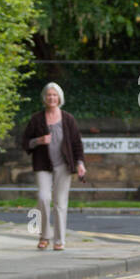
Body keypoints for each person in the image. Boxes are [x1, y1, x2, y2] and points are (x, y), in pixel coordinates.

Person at [21, 82, 86, 252]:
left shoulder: (68, 119)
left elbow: (76, 143)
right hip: (42, 165)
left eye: (54, 95)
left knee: (60, 203)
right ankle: (44, 236)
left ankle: (59, 240)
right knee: (43, 198)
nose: (52, 98)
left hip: (63, 166)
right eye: (49, 95)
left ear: (59, 98)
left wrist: (80, 163)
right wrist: (38, 141)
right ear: (44, 98)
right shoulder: (36, 119)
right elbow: (24, 142)